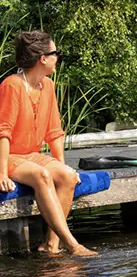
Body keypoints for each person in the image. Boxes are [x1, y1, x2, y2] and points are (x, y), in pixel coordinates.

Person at [0, 31, 94, 256]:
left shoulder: (48, 86)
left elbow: (54, 131)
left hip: (31, 155)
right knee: (41, 175)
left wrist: (62, 166)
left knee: (67, 176)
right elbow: (3, 132)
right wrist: (2, 173)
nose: (57, 58)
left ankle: (51, 245)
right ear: (43, 58)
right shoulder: (12, 85)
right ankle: (73, 245)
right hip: (8, 155)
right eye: (56, 53)